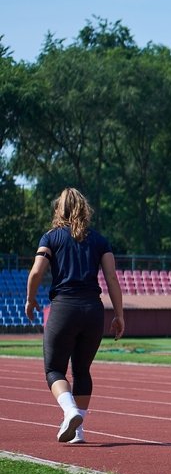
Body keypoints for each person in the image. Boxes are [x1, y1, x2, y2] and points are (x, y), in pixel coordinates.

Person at [25, 188, 125, 444]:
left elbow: (37, 272)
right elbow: (112, 278)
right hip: (93, 310)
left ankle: (70, 412)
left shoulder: (51, 237)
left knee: (54, 369)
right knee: (82, 370)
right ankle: (78, 431)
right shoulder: (100, 241)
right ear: (84, 208)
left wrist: (30, 298)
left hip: (64, 308)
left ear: (60, 209)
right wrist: (119, 314)